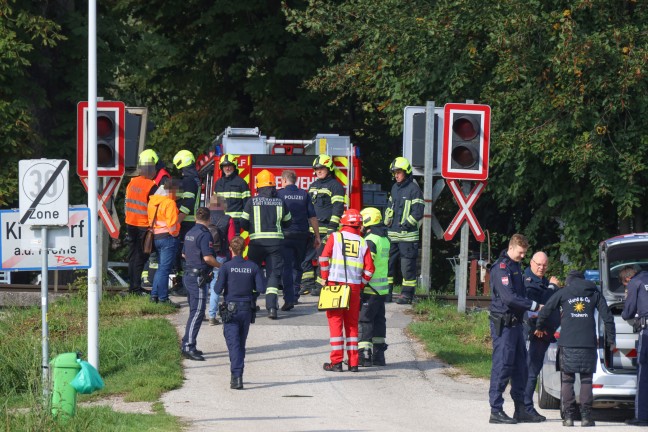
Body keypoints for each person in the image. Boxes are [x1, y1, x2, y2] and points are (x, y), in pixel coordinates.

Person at [536, 271, 615, 427]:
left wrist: (540, 326)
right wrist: (611, 340)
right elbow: (608, 317)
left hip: (567, 343)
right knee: (586, 380)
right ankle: (586, 417)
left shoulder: (563, 292)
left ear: (569, 281)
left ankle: (569, 417)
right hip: (588, 343)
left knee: (567, 380)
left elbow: (546, 310)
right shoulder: (594, 293)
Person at [487, 234, 542, 424]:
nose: (522, 256)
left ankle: (521, 409)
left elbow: (521, 295)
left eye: (524, 253)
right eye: (520, 252)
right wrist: (534, 306)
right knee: (503, 365)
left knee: (521, 368)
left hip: (517, 325)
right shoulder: (501, 268)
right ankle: (496, 410)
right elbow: (509, 298)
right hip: (504, 325)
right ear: (512, 248)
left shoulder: (516, 267)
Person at [319, 208, 374, 372]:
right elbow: (370, 269)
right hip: (354, 288)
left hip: (335, 286)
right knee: (352, 325)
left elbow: (323, 258)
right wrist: (361, 284)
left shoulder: (335, 237)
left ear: (343, 222)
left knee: (335, 323)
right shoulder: (363, 242)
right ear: (359, 225)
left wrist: (324, 277)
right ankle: (354, 363)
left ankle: (336, 362)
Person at [214, 236, 266, 390]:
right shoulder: (253, 266)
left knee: (234, 345)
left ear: (230, 249)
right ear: (244, 249)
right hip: (246, 309)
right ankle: (237, 372)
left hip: (231, 310)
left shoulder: (226, 267)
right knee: (240, 344)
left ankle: (237, 377)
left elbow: (217, 290)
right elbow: (261, 289)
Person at [240, 170, 292, 319]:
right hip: (276, 245)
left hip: (256, 244)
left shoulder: (251, 202)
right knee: (273, 276)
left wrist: (252, 226)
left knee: (251, 274)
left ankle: (250, 305)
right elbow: (288, 222)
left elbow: (243, 223)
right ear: (273, 186)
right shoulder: (280, 202)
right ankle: (271, 309)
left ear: (258, 186)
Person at [521, 251, 561, 422]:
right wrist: (552, 288)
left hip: (543, 333)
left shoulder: (541, 280)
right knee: (531, 371)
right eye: (538, 264)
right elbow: (537, 308)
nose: (541, 267)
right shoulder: (529, 283)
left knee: (533, 370)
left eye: (544, 265)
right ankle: (526, 408)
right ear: (531, 262)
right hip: (535, 332)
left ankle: (524, 407)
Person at [180, 207, 222, 361]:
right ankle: (188, 346)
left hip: (189, 274)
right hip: (198, 277)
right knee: (197, 313)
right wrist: (221, 266)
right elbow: (208, 258)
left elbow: (183, 253)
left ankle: (187, 343)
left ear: (196, 217)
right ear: (209, 219)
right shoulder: (205, 235)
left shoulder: (190, 233)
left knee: (194, 312)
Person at [301, 154, 345, 297]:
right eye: (317, 168)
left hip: (326, 229)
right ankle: (307, 284)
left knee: (322, 258)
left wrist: (332, 227)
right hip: (310, 229)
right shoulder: (313, 185)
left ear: (329, 169)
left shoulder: (335, 186)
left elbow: (338, 208)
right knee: (306, 258)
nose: (319, 171)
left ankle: (320, 284)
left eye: (322, 168)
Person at [277, 170, 320, 310]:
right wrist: (317, 235)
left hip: (285, 235)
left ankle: (288, 298)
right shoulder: (304, 194)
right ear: (296, 181)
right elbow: (312, 217)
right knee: (298, 266)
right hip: (302, 235)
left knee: (287, 267)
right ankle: (295, 295)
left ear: (283, 180)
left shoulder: (279, 194)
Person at [384, 157, 424, 304]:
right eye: (395, 172)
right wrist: (386, 220)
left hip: (408, 237)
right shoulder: (394, 188)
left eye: (399, 172)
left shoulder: (414, 189)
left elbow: (418, 211)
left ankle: (407, 295)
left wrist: (406, 225)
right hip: (392, 236)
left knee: (407, 268)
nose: (396, 175)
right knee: (387, 265)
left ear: (406, 172)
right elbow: (389, 207)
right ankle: (386, 293)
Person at [358, 207, 390, 367]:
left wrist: (360, 283)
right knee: (379, 321)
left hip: (370, 288)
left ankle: (364, 355)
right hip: (381, 289)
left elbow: (367, 266)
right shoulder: (384, 238)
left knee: (365, 321)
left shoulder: (370, 240)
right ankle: (379, 356)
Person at [124, 155, 158, 296]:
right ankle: (136, 288)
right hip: (143, 226)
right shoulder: (151, 186)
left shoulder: (132, 183)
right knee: (141, 257)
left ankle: (133, 286)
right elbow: (156, 207)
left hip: (130, 223)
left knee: (132, 256)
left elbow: (126, 203)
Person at [147, 180, 182, 307]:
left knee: (161, 268)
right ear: (171, 191)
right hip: (168, 238)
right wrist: (176, 234)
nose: (177, 195)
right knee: (164, 269)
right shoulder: (169, 203)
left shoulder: (153, 201)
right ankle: (163, 298)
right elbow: (172, 224)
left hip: (156, 237)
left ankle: (154, 296)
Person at [171, 149, 201, 296]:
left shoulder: (189, 181)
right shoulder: (194, 179)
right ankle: (183, 285)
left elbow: (188, 204)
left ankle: (185, 287)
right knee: (184, 255)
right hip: (189, 224)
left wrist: (176, 222)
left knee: (183, 256)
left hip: (186, 225)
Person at [621, 267, 648, 426]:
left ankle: (642, 417)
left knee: (644, 375)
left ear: (628, 280)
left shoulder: (635, 282)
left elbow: (628, 312)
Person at [207, 195, 236, 325]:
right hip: (221, 256)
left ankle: (201, 313)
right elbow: (231, 240)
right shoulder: (228, 219)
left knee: (202, 285)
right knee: (216, 285)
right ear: (224, 205)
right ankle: (212, 316)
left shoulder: (205, 218)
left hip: (205, 255)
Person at [213, 154, 250, 234]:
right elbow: (215, 206)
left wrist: (243, 223)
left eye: (230, 165)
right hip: (220, 223)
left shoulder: (242, 183)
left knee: (234, 245)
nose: (227, 168)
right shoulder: (218, 183)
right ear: (222, 168)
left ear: (234, 166)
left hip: (235, 224)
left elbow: (247, 205)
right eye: (225, 166)